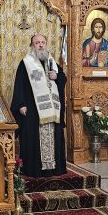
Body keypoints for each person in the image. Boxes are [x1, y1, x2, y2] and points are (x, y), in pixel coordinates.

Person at [10, 34, 67, 177]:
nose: (40, 45)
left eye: (43, 42)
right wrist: (21, 104)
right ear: (32, 45)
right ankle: (36, 168)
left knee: (53, 138)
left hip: (52, 110)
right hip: (34, 109)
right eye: (37, 43)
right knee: (33, 138)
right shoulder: (26, 63)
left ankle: (53, 168)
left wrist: (57, 77)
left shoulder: (52, 62)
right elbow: (19, 85)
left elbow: (63, 78)